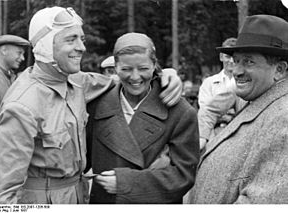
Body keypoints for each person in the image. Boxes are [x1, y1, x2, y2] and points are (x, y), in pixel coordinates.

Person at [0, 7, 182, 204]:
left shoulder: (76, 81)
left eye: (81, 39)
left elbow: (123, 79)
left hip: (79, 196)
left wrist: (165, 74)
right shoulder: (22, 105)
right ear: (45, 46)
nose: (81, 47)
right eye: (70, 40)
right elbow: (0, 195)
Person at [86, 32, 200, 204]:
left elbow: (184, 175)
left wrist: (126, 183)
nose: (135, 77)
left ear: (154, 65)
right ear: (115, 67)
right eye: (126, 69)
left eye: (143, 68)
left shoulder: (180, 111)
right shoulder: (97, 104)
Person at [188, 14, 288, 204]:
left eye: (248, 62)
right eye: (236, 61)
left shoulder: (284, 119)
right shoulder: (260, 97)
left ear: (279, 70)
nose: (236, 71)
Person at [197, 37, 246, 152]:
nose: (231, 61)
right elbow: (205, 110)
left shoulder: (244, 82)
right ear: (221, 57)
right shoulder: (209, 82)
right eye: (228, 57)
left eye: (235, 58)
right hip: (213, 131)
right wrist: (229, 115)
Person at [0, 35, 30, 151]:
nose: (22, 58)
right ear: (4, 51)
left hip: (10, 146)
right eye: (19, 53)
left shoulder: (12, 78)